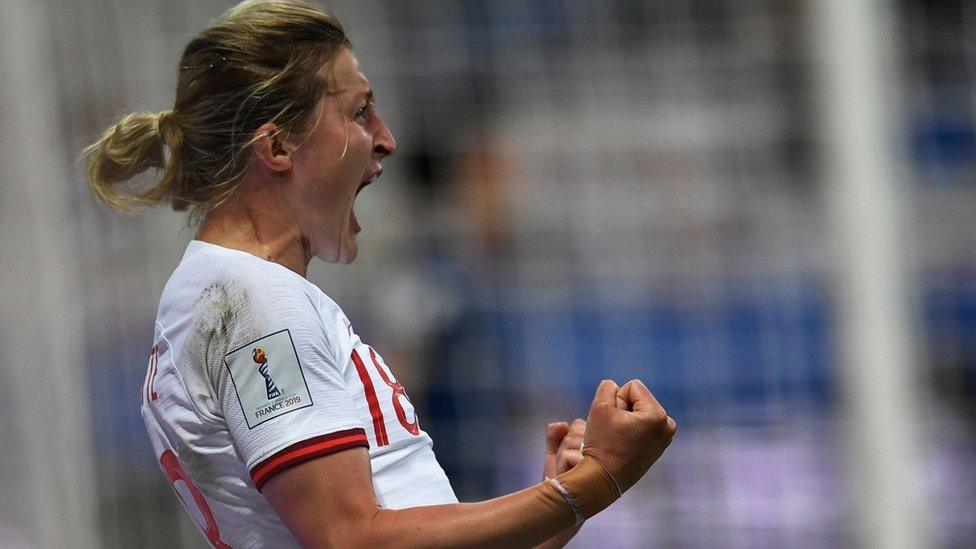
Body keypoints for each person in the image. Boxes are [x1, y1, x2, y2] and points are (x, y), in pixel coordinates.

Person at [82, 1, 677, 547]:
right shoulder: (252, 303)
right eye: (359, 112)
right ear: (279, 147)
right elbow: (350, 538)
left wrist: (556, 506)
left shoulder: (232, 295)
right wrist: (591, 485)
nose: (386, 139)